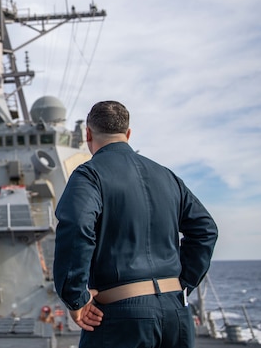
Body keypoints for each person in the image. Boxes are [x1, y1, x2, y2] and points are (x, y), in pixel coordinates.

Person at [53, 101, 217, 348]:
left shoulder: (90, 174)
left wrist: (76, 298)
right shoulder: (168, 176)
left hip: (121, 318)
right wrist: (183, 284)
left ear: (88, 134)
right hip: (177, 315)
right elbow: (206, 230)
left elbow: (77, 225)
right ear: (128, 134)